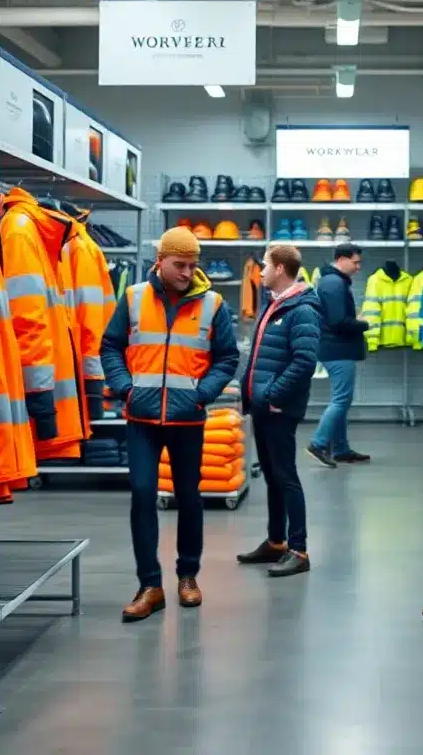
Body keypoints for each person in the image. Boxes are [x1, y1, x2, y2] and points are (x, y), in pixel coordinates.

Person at [101, 225, 239, 622]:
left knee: (189, 497)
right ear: (160, 261)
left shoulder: (212, 304)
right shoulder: (132, 298)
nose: (186, 272)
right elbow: (111, 345)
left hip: (187, 417)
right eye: (179, 264)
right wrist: (124, 387)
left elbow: (227, 358)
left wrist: (201, 393)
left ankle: (188, 576)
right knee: (142, 494)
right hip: (141, 415)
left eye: (192, 265)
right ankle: (149, 585)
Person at [237, 244, 322, 577]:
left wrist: (272, 396)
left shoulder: (302, 309)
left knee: (286, 478)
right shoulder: (275, 305)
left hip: (278, 409)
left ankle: (298, 550)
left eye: (265, 265)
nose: (260, 271)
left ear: (282, 269)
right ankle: (276, 542)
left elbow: (304, 361)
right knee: (272, 477)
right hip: (263, 407)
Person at [307, 243, 370, 467]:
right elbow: (337, 321)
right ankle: (318, 442)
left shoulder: (333, 281)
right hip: (337, 349)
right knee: (341, 399)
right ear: (341, 259)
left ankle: (341, 449)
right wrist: (363, 325)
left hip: (335, 348)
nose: (358, 267)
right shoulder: (333, 284)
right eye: (355, 262)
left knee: (341, 399)